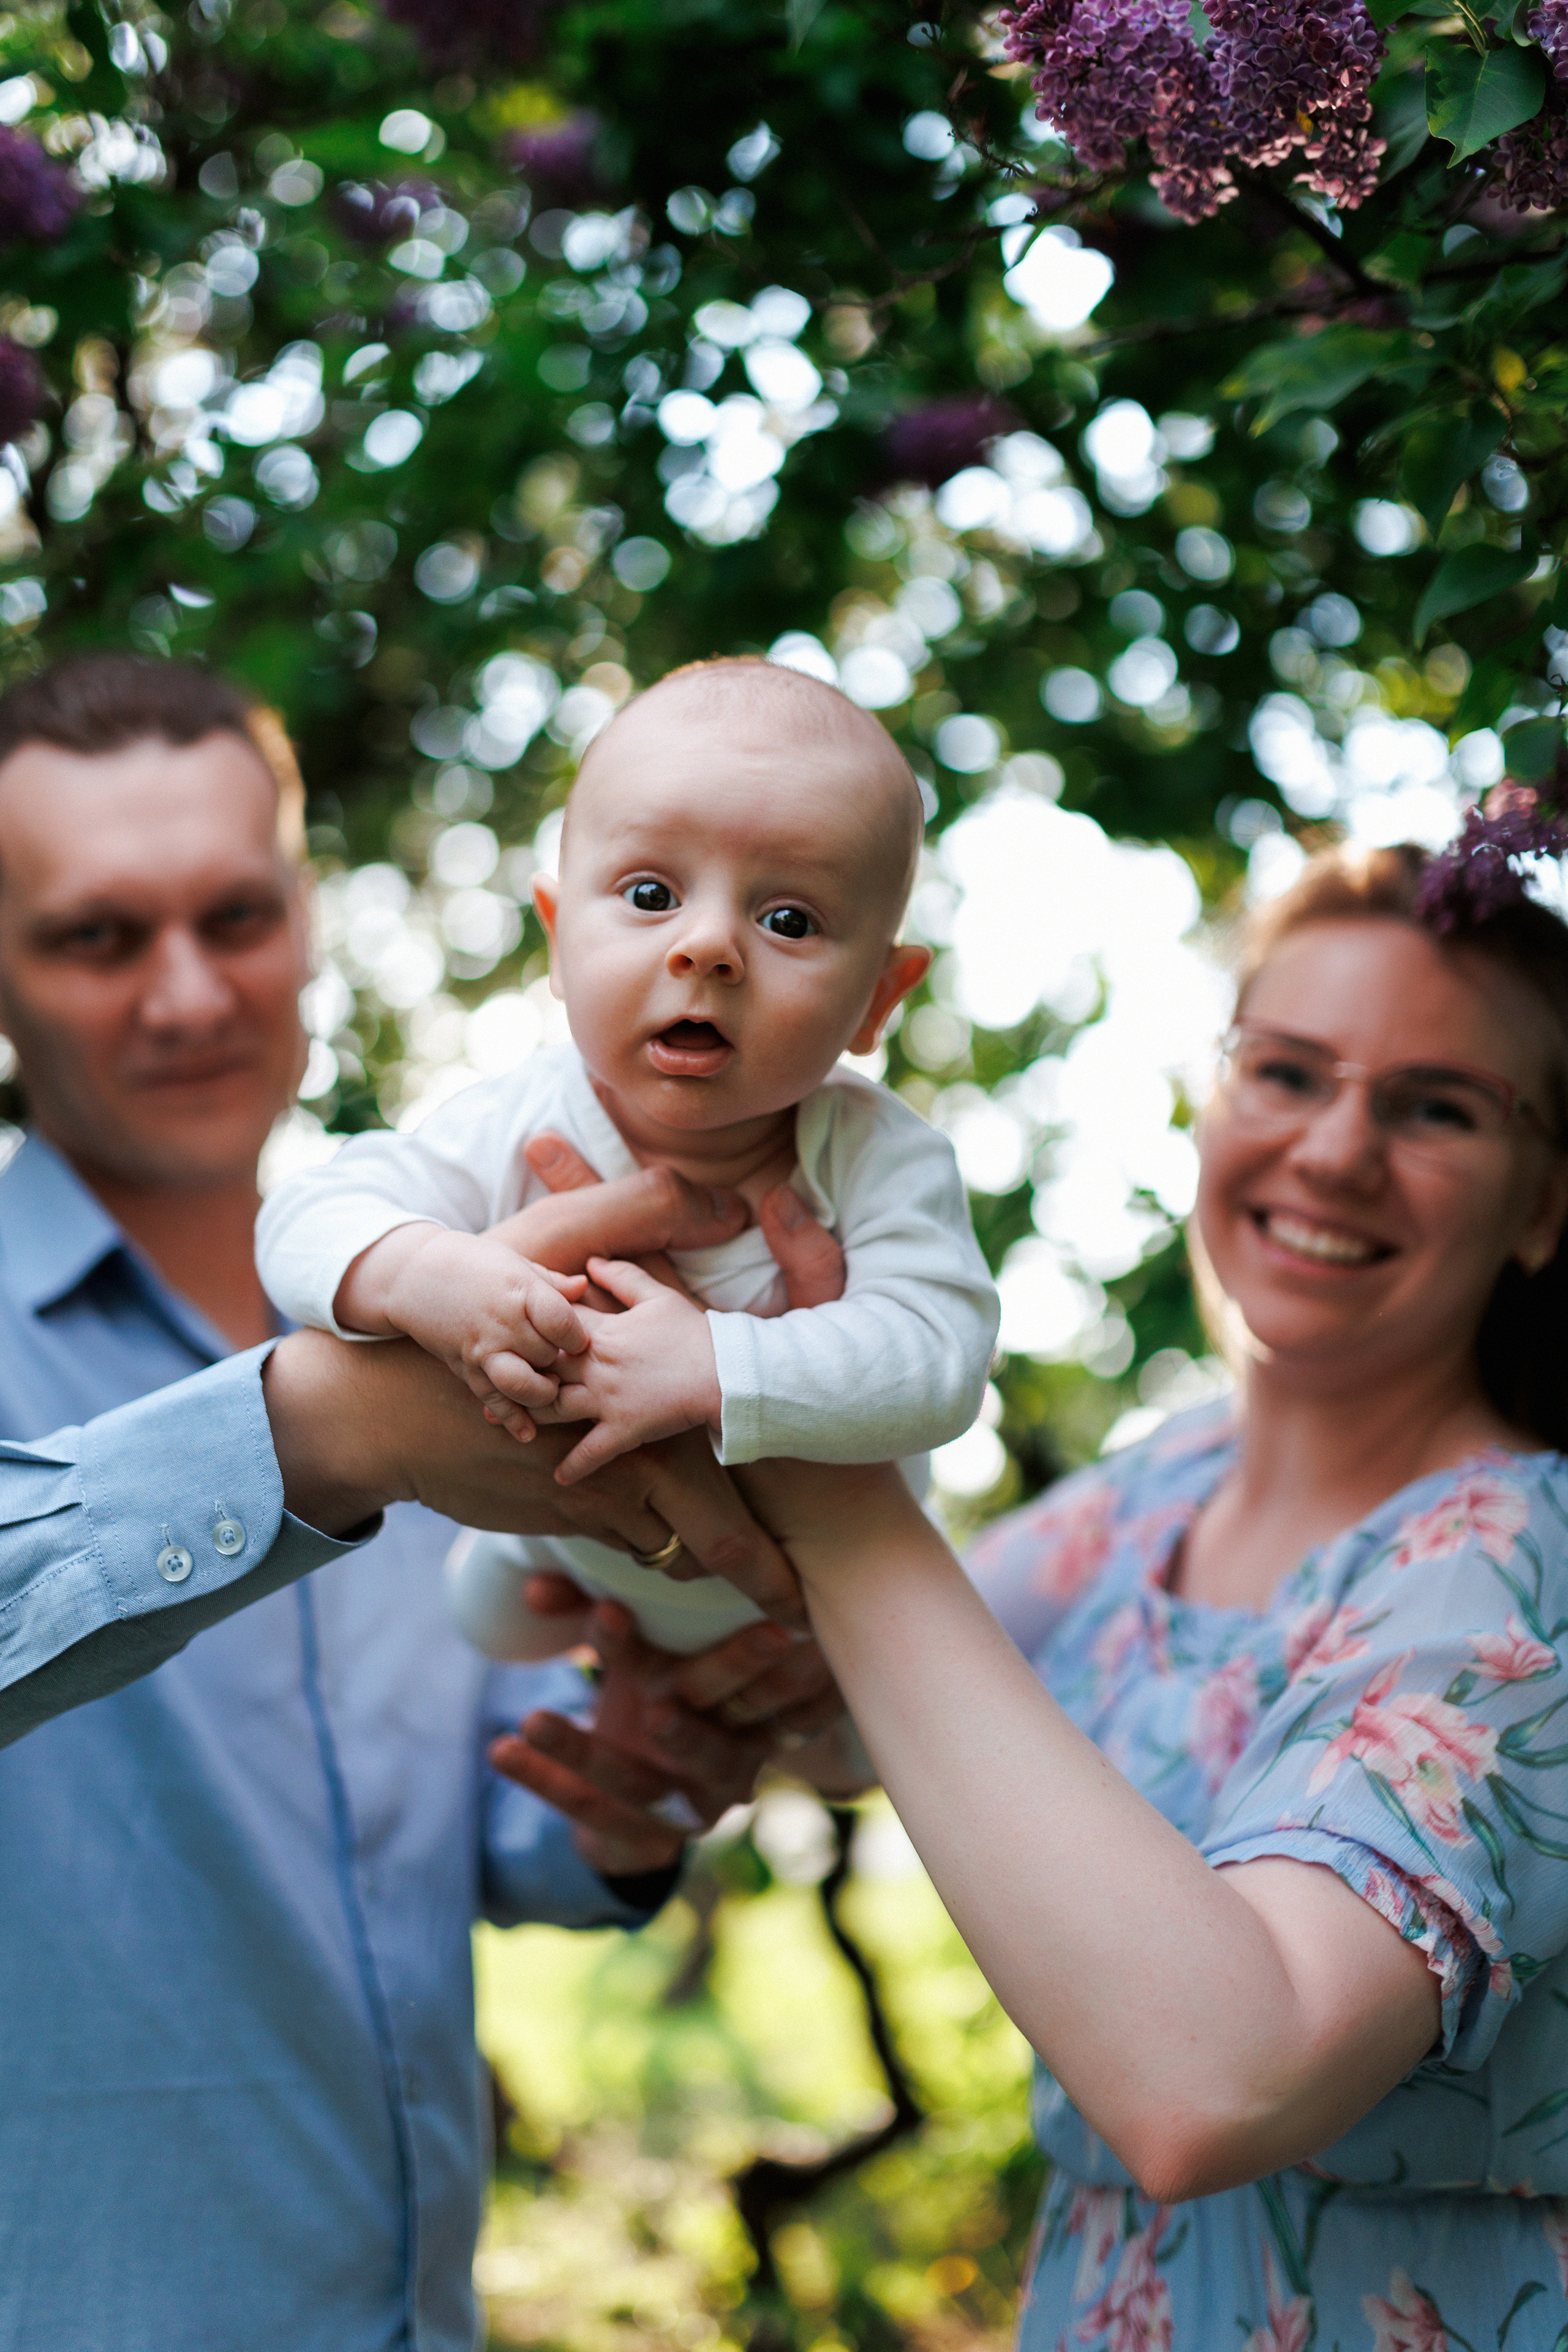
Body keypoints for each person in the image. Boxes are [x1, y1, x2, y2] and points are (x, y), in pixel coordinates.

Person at [0, 652, 839, 2352]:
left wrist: (627, 1791)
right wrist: (321, 1438)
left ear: (307, 920)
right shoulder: (414, 1364)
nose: (186, 995)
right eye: (99, 935)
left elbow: (470, 1842)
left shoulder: (486, 1285)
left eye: (236, 918)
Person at [734, 808, 1568, 2350]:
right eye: (1286, 1070)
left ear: (1542, 1202)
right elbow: (846, 1710)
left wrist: (827, 1481)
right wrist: (669, 1699)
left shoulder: (1516, 1572)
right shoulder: (1149, 1497)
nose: (1332, 1147)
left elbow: (1213, 2081)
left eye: (1437, 1107)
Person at [255, 655, 999, 1672]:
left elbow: (938, 1359)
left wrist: (712, 1365)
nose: (709, 946)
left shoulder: (878, 1158)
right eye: (651, 893)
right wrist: (427, 1274)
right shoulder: (515, 1119)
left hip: (816, 1595)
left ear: (879, 997)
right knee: (488, 1620)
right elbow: (307, 1212)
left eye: (788, 919)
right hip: (567, 1563)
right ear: (559, 942)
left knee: (865, 1728)